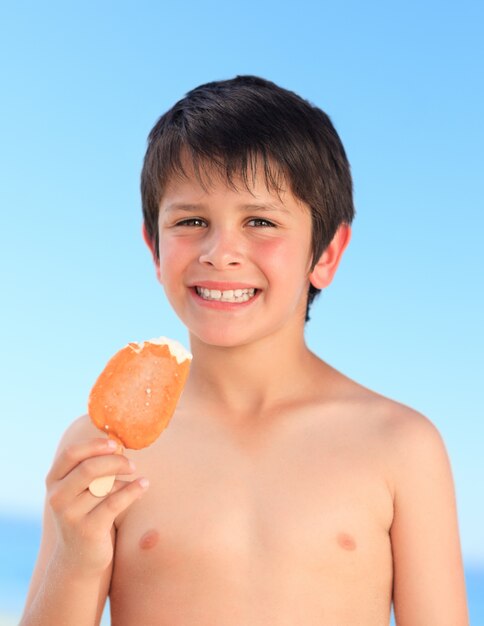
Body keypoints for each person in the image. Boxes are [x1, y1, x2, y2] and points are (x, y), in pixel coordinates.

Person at [20, 75, 469, 626]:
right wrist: (75, 556)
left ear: (326, 253)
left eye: (260, 221)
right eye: (191, 222)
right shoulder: (104, 449)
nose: (220, 251)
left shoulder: (400, 446)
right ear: (154, 249)